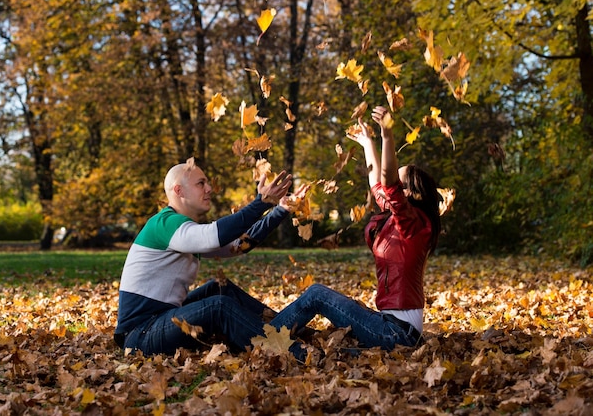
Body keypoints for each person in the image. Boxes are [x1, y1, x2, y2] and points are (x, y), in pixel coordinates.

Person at [270, 105, 443, 352]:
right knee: (330, 349)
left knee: (317, 294)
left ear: (412, 193)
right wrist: (368, 143)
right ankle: (272, 337)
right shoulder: (401, 218)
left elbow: (387, 180)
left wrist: (387, 134)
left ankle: (261, 340)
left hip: (397, 333)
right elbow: (376, 184)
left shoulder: (413, 224)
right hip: (393, 327)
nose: (390, 184)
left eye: (398, 180)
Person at [114, 159, 308, 359]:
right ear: (178, 191)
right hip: (140, 334)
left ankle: (287, 330)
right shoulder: (165, 224)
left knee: (219, 287)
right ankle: (291, 353)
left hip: (161, 319)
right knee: (218, 306)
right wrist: (260, 203)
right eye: (201, 183)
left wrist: (281, 210)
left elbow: (239, 245)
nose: (209, 189)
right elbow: (212, 236)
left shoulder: (183, 230)